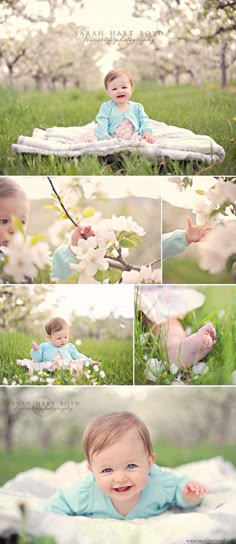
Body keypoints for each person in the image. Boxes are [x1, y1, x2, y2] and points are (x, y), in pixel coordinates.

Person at [44, 411, 208, 518]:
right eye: (107, 470)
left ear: (149, 462)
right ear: (93, 472)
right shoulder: (86, 493)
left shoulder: (160, 483)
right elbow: (57, 504)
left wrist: (189, 495)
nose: (120, 478)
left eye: (130, 466)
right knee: (68, 475)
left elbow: (179, 489)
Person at [137, 286, 216, 368]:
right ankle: (176, 351)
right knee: (158, 315)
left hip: (155, 292)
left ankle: (175, 349)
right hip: (141, 293)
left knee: (165, 320)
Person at [95, 69, 155, 143]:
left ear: (131, 89)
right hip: (112, 139)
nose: (120, 91)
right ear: (108, 93)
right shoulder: (106, 107)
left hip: (133, 137)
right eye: (114, 89)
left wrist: (146, 132)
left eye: (124, 87)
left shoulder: (137, 107)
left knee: (142, 143)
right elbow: (102, 124)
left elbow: (144, 121)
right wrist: (104, 138)